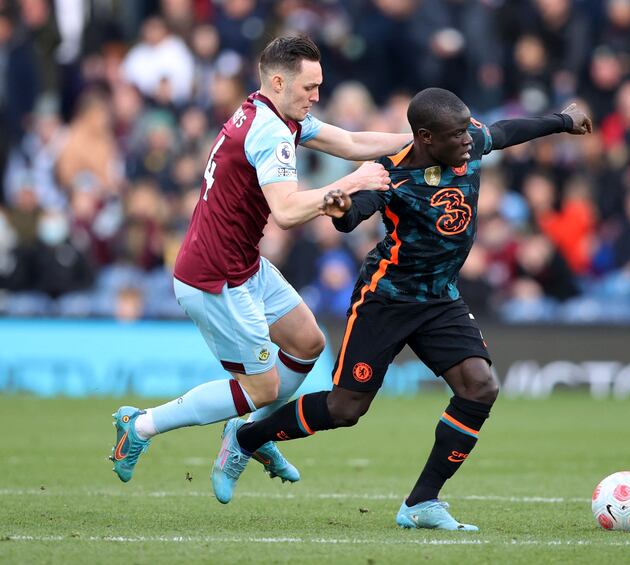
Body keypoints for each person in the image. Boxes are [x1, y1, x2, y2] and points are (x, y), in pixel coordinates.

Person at [213, 87, 591, 529]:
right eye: (457, 135)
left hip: (440, 298)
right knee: (345, 409)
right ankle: (246, 436)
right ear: (426, 137)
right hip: (386, 300)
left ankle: (421, 502)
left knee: (479, 387)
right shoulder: (389, 175)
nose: (469, 141)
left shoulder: (468, 142)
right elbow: (356, 211)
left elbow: (506, 131)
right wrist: (339, 208)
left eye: (468, 131)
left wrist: (562, 121)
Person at [109, 35, 411, 495]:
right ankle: (143, 426)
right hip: (214, 278)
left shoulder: (270, 111)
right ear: (277, 81)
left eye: (319, 86)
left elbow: (351, 140)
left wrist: (420, 141)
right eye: (310, 87)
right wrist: (356, 181)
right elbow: (288, 213)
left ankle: (244, 433)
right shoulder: (269, 131)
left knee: (308, 343)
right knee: (263, 388)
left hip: (243, 264)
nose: (316, 95)